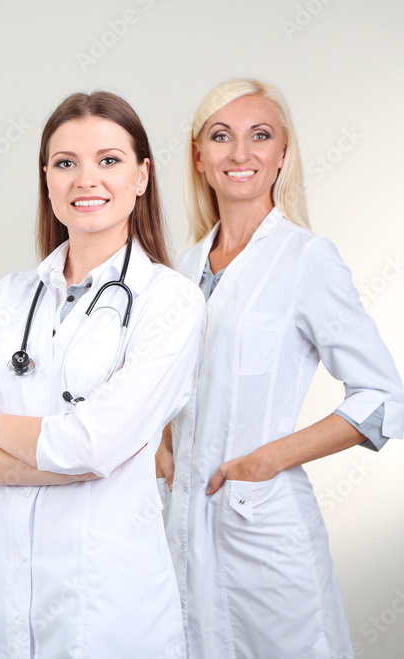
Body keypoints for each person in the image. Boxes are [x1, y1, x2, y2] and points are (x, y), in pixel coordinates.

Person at [0, 91, 203, 658]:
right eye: (65, 163)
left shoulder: (171, 301)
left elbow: (91, 445)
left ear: (143, 176)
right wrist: (56, 461)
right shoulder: (10, 296)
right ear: (46, 179)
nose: (85, 180)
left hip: (105, 601)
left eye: (109, 160)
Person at [158, 78, 404, 659]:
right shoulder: (179, 271)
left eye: (259, 136)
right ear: (199, 156)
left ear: (282, 155)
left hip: (263, 527)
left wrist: (270, 458)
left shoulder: (307, 260)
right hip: (178, 527)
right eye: (221, 136)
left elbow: (384, 396)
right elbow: (168, 386)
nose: (240, 154)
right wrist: (163, 449)